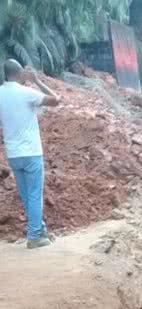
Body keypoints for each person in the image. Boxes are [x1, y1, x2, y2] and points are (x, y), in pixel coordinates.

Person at [0, 59, 60, 249]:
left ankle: (40, 230)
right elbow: (56, 100)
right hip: (31, 151)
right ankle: (34, 236)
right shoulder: (26, 93)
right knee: (34, 194)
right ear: (20, 73)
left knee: (27, 195)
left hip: (13, 153)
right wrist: (37, 81)